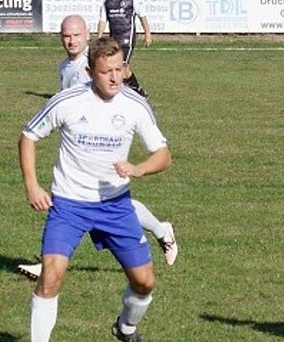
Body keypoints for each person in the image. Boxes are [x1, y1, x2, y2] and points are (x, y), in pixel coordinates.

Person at [16, 36, 172, 342]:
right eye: (106, 72)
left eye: (119, 70)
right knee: (51, 276)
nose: (115, 78)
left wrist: (139, 168)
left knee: (144, 283)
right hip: (69, 204)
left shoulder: (134, 105)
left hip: (115, 206)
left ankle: (126, 329)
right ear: (90, 72)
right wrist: (32, 186)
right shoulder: (68, 101)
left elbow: (163, 154)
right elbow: (28, 136)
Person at [17, 15, 177, 281]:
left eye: (77, 35)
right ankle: (50, 264)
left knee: (110, 199)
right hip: (79, 160)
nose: (71, 40)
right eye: (66, 36)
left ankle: (161, 230)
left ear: (87, 35)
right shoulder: (66, 67)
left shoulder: (92, 64)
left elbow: (123, 79)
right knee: (80, 198)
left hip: (108, 161)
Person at [98, 0, 152, 98]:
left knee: (121, 66)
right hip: (113, 40)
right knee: (119, 67)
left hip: (127, 38)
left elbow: (142, 16)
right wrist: (99, 37)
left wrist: (147, 34)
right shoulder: (107, 0)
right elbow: (102, 20)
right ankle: (135, 89)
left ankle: (133, 91)